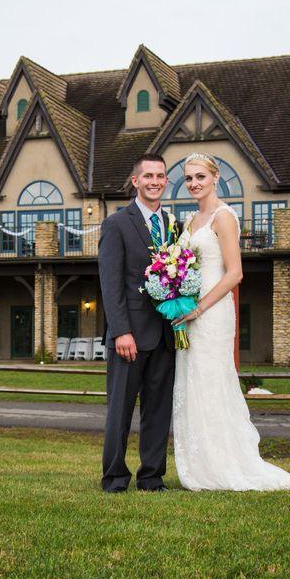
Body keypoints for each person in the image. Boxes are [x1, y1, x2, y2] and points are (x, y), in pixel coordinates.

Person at [171, 152, 290, 491]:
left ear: (215, 177)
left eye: (200, 176)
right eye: (188, 178)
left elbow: (235, 273)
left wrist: (199, 309)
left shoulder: (224, 217)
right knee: (193, 383)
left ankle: (223, 463)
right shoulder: (191, 219)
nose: (194, 183)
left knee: (212, 381)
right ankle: (200, 464)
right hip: (188, 310)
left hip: (211, 313)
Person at [98, 153, 178, 492]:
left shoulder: (174, 225)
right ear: (136, 181)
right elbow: (111, 282)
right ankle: (115, 477)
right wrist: (121, 331)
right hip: (129, 336)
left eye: (160, 176)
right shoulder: (117, 224)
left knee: (158, 410)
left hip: (165, 334)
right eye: (148, 176)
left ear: (166, 181)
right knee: (120, 410)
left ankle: (152, 477)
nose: (155, 181)